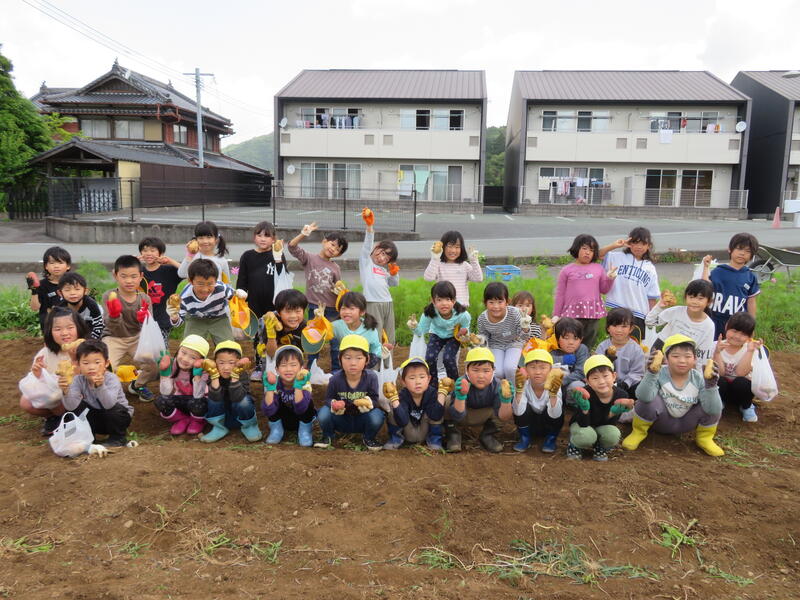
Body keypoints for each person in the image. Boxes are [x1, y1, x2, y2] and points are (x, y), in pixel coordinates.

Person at [621, 334, 724, 457]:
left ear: (695, 359)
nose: (682, 361)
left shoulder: (699, 378)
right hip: (660, 422)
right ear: (666, 358)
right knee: (648, 400)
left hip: (686, 422)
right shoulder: (659, 373)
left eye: (688, 356)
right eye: (675, 356)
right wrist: (651, 374)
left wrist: (711, 386)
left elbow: (714, 410)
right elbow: (642, 397)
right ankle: (638, 432)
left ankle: (704, 438)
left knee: (713, 400)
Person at [19, 307, 89, 435]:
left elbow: (87, 380)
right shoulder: (46, 353)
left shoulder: (88, 350)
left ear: (79, 328)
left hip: (80, 395)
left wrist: (74, 360)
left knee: (61, 399)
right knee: (26, 402)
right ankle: (54, 417)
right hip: (55, 397)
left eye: (70, 327)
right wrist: (38, 374)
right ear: (49, 332)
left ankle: (69, 419)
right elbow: (38, 382)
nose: (64, 333)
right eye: (57, 329)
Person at [288, 222, 348, 370]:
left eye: (337, 249)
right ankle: (311, 366)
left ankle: (336, 369)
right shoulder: (309, 258)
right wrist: (304, 234)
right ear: (324, 241)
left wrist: (339, 291)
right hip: (315, 307)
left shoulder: (336, 268)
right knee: (313, 338)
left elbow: (338, 286)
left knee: (335, 341)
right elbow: (292, 247)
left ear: (339, 254)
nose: (333, 249)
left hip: (333, 309)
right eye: (332, 244)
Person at [101, 255, 157, 401]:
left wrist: (144, 320)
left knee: (153, 365)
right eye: (124, 276)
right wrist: (114, 315)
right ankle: (109, 393)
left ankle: (138, 385)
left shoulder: (144, 298)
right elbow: (111, 326)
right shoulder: (109, 296)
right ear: (115, 275)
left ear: (141, 276)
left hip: (137, 337)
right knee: (104, 366)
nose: (129, 281)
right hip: (113, 337)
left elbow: (148, 328)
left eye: (133, 276)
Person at [236, 221, 287, 380]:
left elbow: (283, 277)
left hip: (274, 304)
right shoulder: (247, 256)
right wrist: (240, 294)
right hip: (255, 304)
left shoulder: (277, 254)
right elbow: (242, 279)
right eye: (259, 235)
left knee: (275, 334)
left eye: (267, 236)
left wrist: (278, 258)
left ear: (274, 239)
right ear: (254, 237)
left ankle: (277, 365)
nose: (263, 239)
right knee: (258, 336)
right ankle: (259, 365)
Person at [315, 334, 384, 450]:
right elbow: (328, 399)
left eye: (359, 358)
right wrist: (334, 404)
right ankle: (328, 436)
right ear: (340, 359)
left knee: (378, 415)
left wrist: (368, 403)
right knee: (323, 413)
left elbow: (375, 400)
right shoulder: (335, 379)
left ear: (367, 359)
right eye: (347, 358)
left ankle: (369, 438)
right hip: (341, 418)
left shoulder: (371, 377)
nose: (353, 363)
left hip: (362, 418)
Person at [63, 339, 133, 447]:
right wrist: (65, 391)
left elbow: (109, 404)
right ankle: (89, 437)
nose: (91, 367)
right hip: (97, 420)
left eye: (97, 362)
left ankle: (118, 438)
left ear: (106, 363)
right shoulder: (78, 380)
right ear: (78, 364)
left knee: (114, 409)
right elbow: (71, 407)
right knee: (78, 406)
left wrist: (100, 386)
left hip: (118, 419)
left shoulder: (111, 378)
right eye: (85, 363)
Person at [444, 347, 515, 453]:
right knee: (447, 401)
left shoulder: (498, 386)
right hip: (464, 414)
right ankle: (453, 434)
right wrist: (460, 396)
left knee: (502, 406)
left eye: (486, 371)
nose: (481, 375)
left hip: (485, 415)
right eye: (475, 370)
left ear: (493, 371)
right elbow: (457, 415)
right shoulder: (462, 383)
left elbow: (504, 418)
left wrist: (506, 401)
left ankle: (487, 435)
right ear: (467, 370)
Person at [553, 234, 616, 349]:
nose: (587, 252)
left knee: (587, 345)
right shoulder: (567, 270)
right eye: (584, 248)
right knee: (570, 344)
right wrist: (556, 315)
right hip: (571, 315)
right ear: (577, 248)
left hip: (592, 314)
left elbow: (604, 289)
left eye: (591, 250)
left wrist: (610, 278)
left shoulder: (598, 268)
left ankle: (585, 360)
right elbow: (560, 294)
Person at [565, 354, 633, 461]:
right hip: (583, 425)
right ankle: (574, 444)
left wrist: (612, 414)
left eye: (605, 376)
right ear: (588, 381)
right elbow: (582, 423)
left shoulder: (621, 395)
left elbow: (611, 424)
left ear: (614, 376)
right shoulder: (585, 394)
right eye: (595, 378)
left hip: (602, 425)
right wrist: (585, 409)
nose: (601, 381)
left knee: (613, 434)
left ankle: (600, 447)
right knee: (587, 436)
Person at [407, 281, 471, 390]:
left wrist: (464, 332)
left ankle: (454, 383)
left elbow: (466, 326)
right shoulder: (429, 312)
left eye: (448, 299)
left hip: (453, 336)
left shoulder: (462, 314)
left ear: (454, 300)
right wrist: (414, 327)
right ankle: (433, 384)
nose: (444, 304)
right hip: (436, 334)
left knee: (448, 358)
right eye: (439, 300)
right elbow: (421, 331)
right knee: (430, 357)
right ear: (433, 301)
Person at [599, 227, 660, 340]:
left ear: (649, 246)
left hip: (639, 314)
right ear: (629, 243)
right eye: (635, 243)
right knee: (615, 343)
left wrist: (651, 317)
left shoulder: (650, 268)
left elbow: (652, 297)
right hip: (617, 309)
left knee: (635, 345)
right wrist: (615, 245)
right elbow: (598, 254)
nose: (639, 247)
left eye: (643, 244)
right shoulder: (617, 257)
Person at [168, 258, 247, 345]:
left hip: (219, 317)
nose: (205, 289)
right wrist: (174, 317)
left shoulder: (221, 288)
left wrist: (239, 294)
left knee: (228, 346)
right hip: (195, 319)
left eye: (210, 284)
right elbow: (178, 323)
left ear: (216, 281)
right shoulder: (184, 297)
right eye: (200, 284)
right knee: (190, 346)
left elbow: (234, 295)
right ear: (190, 281)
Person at [382, 357, 453, 451]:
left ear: (429, 379)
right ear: (403, 382)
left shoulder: (432, 393)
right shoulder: (403, 395)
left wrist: (442, 393)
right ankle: (395, 439)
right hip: (408, 431)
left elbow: (436, 416)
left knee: (438, 405)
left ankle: (434, 440)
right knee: (394, 407)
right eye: (412, 378)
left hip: (426, 430)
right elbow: (402, 420)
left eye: (422, 377)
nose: (418, 382)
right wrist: (394, 399)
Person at [645, 279, 715, 370]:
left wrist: (699, 376)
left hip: (684, 360)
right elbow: (649, 322)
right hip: (661, 351)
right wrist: (659, 306)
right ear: (685, 297)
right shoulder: (676, 311)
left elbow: (703, 358)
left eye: (700, 298)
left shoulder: (708, 326)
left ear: (709, 301)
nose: (694, 301)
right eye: (691, 297)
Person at [200, 340, 261, 443]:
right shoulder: (213, 374)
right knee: (212, 398)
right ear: (215, 363)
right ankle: (219, 428)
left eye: (231, 363)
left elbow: (237, 398)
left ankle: (250, 427)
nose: (226, 367)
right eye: (221, 363)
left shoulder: (243, 375)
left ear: (238, 363)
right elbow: (215, 398)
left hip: (240, 417)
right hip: (223, 418)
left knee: (244, 401)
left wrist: (235, 376)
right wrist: (214, 376)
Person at [701, 232, 760, 338]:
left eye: (747, 251)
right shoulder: (717, 271)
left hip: (737, 325)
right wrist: (705, 267)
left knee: (733, 346)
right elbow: (704, 287)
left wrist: (751, 326)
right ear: (730, 249)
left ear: (752, 255)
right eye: (739, 249)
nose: (742, 253)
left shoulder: (750, 277)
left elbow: (751, 302)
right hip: (714, 319)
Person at [359, 207, 400, 346]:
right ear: (376, 247)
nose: (382, 258)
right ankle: (375, 360)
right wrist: (369, 227)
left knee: (389, 336)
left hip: (388, 302)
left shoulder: (383, 270)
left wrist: (394, 273)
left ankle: (388, 360)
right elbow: (367, 246)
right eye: (382, 253)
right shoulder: (366, 262)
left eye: (387, 258)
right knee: (375, 336)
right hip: (372, 302)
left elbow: (394, 284)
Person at [154, 334, 210, 436]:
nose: (185, 359)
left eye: (193, 357)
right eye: (183, 353)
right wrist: (164, 374)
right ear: (178, 350)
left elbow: (198, 395)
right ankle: (181, 419)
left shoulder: (203, 369)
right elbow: (166, 392)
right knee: (161, 400)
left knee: (197, 402)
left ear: (201, 360)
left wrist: (198, 376)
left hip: (200, 402)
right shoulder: (173, 364)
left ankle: (197, 421)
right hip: (182, 400)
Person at [713, 311, 762, 422]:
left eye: (743, 334)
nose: (737, 337)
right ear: (726, 327)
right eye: (734, 331)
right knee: (718, 379)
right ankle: (719, 402)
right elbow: (720, 372)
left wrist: (750, 351)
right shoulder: (716, 345)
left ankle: (746, 406)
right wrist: (717, 353)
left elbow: (740, 373)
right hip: (721, 390)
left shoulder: (751, 349)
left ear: (750, 336)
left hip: (741, 392)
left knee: (742, 382)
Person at [512, 349, 564, 453]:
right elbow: (517, 411)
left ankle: (551, 439)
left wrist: (553, 395)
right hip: (529, 426)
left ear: (550, 369)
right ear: (526, 369)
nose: (537, 372)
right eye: (532, 367)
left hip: (547, 426)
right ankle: (525, 438)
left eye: (543, 367)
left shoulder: (554, 385)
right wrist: (519, 391)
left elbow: (556, 414)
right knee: (518, 402)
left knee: (558, 407)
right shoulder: (523, 383)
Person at [261, 345, 315, 446]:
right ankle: (276, 430)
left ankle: (305, 431)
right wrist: (270, 389)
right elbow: (268, 410)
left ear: (301, 368)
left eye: (293, 365)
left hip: (299, 419)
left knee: (308, 403)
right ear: (277, 369)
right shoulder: (275, 383)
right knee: (272, 399)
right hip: (283, 420)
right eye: (283, 365)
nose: (288, 369)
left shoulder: (305, 384)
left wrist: (298, 387)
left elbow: (301, 409)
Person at [477, 282, 530, 380]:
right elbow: (483, 337)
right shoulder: (482, 318)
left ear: (507, 301)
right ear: (485, 302)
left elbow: (524, 337)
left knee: (510, 368)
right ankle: (501, 388)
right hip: (496, 345)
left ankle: (513, 388)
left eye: (500, 302)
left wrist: (525, 328)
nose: (496, 306)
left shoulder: (515, 313)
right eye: (491, 302)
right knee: (498, 372)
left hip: (514, 343)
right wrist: (479, 343)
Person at [138, 237, 183, 343]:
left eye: (152, 250)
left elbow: (189, 272)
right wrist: (131, 262)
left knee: (161, 348)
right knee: (144, 349)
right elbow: (119, 275)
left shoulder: (169, 271)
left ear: (161, 253)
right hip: (142, 319)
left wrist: (170, 261)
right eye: (145, 250)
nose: (148, 253)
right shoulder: (138, 272)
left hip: (162, 320)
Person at [423, 230, 482, 307]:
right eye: (450, 246)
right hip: (444, 306)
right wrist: (435, 258)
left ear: (461, 248)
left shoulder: (464, 265)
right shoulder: (438, 264)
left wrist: (474, 261)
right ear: (443, 247)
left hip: (461, 307)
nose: (453, 250)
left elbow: (478, 278)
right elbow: (428, 278)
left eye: (457, 247)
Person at [595, 307, 645, 396]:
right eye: (615, 326)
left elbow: (637, 372)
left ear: (631, 328)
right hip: (605, 384)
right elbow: (596, 368)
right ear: (608, 328)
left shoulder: (636, 349)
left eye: (624, 326)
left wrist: (626, 383)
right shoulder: (602, 347)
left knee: (640, 388)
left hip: (628, 385)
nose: (619, 330)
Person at [27, 246, 72, 332]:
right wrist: (34, 291)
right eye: (52, 263)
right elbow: (34, 308)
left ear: (68, 266)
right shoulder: (41, 285)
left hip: (70, 325)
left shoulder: (73, 283)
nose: (56, 266)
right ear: (46, 266)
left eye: (60, 263)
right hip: (49, 327)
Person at [332, 291, 382, 369]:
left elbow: (376, 349)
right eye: (343, 308)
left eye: (352, 309)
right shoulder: (336, 326)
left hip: (363, 365)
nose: (347, 312)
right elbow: (321, 336)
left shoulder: (370, 330)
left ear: (362, 312)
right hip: (342, 364)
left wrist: (383, 351)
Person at [260, 289, 308, 362]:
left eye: (298, 311)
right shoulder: (271, 323)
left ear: (303, 312)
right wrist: (271, 335)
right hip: (272, 359)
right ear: (279, 313)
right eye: (288, 311)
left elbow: (300, 353)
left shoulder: (304, 327)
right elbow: (270, 354)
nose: (293, 316)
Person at [549, 317, 590, 402]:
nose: (571, 342)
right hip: (552, 385)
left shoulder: (582, 349)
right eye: (566, 338)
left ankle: (570, 404)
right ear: (557, 339)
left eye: (575, 338)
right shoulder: (552, 349)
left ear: (581, 339)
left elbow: (580, 373)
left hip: (570, 383)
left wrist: (561, 381)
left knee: (577, 386)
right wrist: (562, 359)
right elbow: (545, 362)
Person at [57, 272, 103, 339]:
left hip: (92, 339)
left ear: (85, 291)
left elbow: (99, 327)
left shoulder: (94, 306)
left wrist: (88, 342)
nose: (72, 293)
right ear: (60, 293)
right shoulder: (59, 309)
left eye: (77, 289)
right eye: (67, 290)